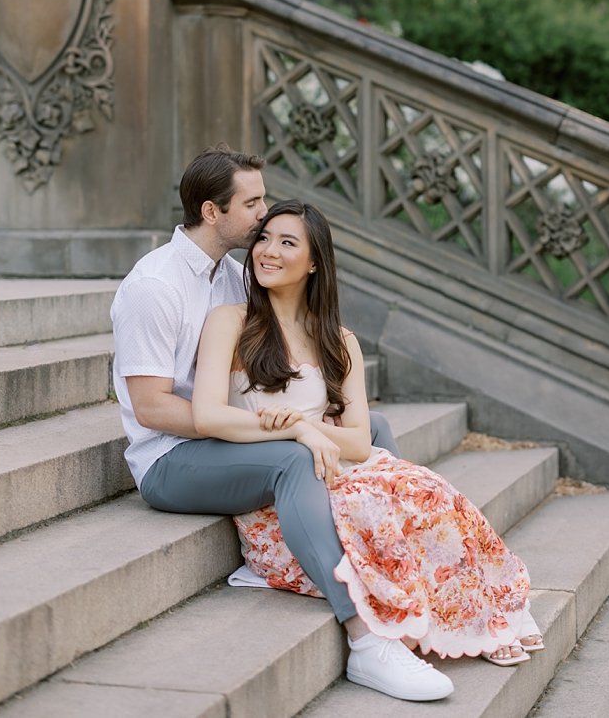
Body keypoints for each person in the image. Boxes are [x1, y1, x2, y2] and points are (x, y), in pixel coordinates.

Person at [111, 147, 450, 703]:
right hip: (171, 459)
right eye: (253, 203)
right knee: (297, 456)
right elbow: (151, 409)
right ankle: (364, 637)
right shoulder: (156, 286)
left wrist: (307, 417)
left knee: (375, 433)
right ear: (212, 211)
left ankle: (415, 576)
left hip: (229, 438)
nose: (263, 215)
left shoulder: (230, 276)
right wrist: (281, 427)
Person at [191, 199, 542, 692]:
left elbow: (358, 440)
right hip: (282, 495)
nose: (267, 251)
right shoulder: (231, 320)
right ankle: (386, 635)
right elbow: (207, 415)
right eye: (264, 238)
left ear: (314, 262)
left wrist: (303, 422)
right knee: (370, 501)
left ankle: (474, 610)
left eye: (287, 242)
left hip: (336, 467)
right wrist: (296, 430)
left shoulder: (338, 340)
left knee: (427, 489)